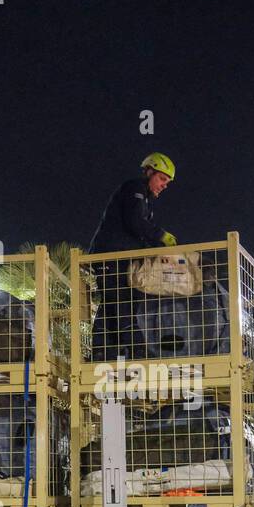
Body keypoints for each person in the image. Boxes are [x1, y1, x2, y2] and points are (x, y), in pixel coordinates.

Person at [87, 152, 179, 360]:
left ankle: (104, 353)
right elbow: (135, 222)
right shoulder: (134, 188)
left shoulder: (147, 203)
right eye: (162, 179)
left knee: (112, 304)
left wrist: (164, 247)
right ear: (149, 172)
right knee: (121, 303)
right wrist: (161, 235)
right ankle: (137, 349)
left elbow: (143, 233)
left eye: (168, 182)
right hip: (109, 258)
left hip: (122, 260)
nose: (164, 185)